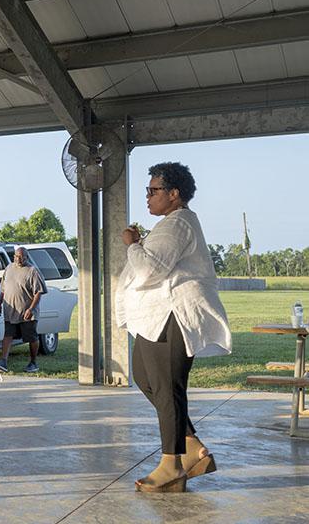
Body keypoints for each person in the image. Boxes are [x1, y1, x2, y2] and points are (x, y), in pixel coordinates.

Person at [115, 162, 232, 493]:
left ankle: (172, 466)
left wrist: (132, 244)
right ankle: (193, 447)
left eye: (153, 191)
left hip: (171, 317)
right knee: (145, 378)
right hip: (154, 320)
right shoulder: (171, 223)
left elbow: (151, 269)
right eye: (147, 191)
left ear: (174, 194)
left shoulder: (179, 223)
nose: (147, 197)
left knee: (167, 389)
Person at [0, 247, 47, 373]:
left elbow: (38, 292)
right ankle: (3, 361)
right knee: (8, 335)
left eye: (22, 257)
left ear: (27, 258)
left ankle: (33, 362)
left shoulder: (32, 271)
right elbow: (3, 289)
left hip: (27, 312)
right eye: (17, 257)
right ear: (14, 256)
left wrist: (31, 309)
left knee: (32, 338)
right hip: (10, 311)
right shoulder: (9, 268)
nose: (19, 259)